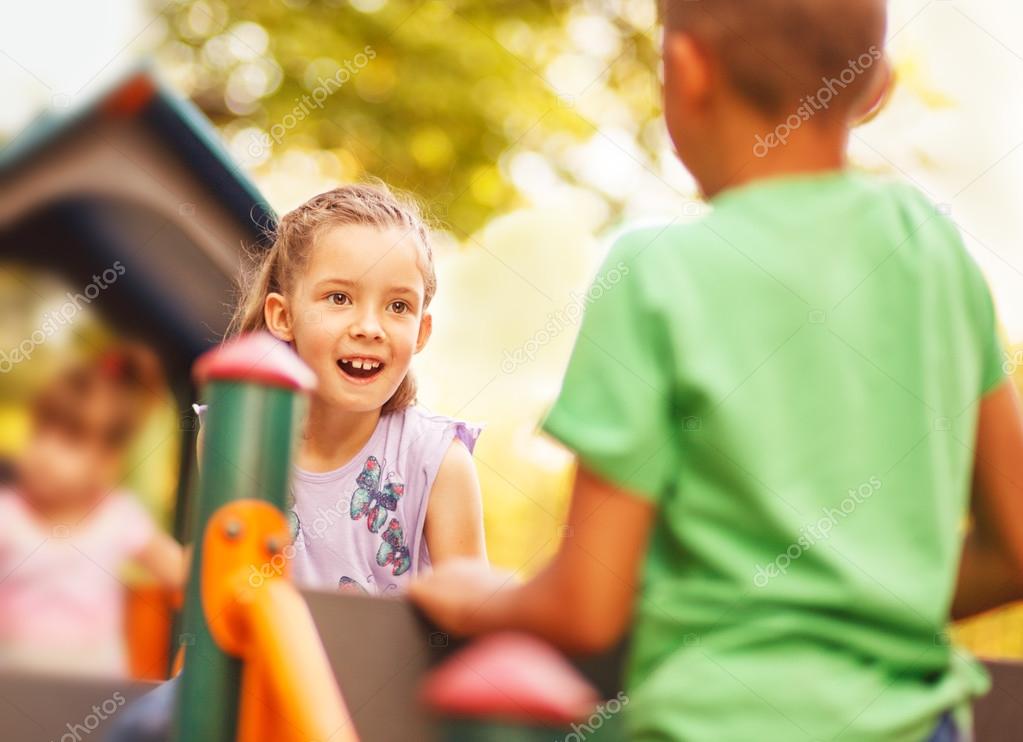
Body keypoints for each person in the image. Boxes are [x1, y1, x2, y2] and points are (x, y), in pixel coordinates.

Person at [410, 1, 1023, 740]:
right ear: (875, 83)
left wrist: (476, 596)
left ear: (688, 68)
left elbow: (585, 605)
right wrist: (867, 602)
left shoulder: (656, 273)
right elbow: (1014, 550)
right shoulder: (930, 250)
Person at [208, 181, 487, 596]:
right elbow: (219, 590)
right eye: (339, 298)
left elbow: (473, 619)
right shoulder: (235, 435)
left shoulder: (439, 460)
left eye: (398, 306)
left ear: (422, 331)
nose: (369, 329)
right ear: (283, 316)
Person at [0, 344, 185, 676]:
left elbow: (182, 572)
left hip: (92, 696)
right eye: (41, 432)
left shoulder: (118, 517)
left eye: (69, 441)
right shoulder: (9, 515)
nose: (45, 452)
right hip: (13, 692)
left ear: (106, 462)